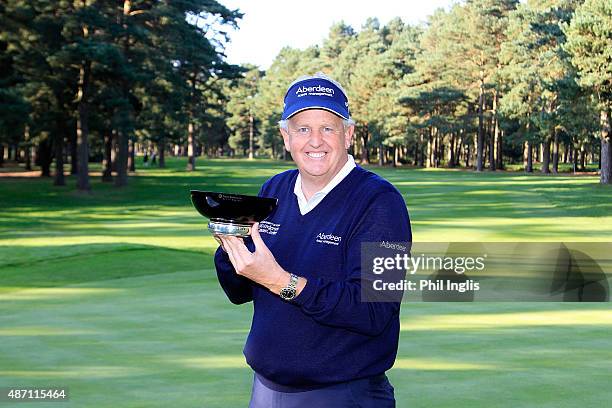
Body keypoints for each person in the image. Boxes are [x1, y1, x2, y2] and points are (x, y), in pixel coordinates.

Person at [214, 72, 412, 407]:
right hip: (265, 391)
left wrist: (280, 281)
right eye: (303, 128)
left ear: (348, 134)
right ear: (286, 136)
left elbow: (375, 311)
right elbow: (238, 291)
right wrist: (229, 246)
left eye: (327, 128)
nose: (315, 141)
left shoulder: (382, 202)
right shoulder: (273, 190)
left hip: (345, 394)